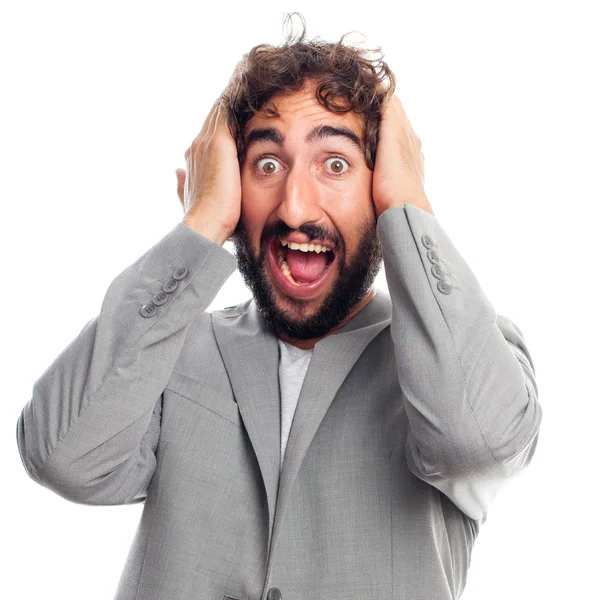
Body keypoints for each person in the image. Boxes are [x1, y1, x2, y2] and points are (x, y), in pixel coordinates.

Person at [16, 15, 542, 600]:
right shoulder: (168, 347)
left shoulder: (467, 356)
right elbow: (61, 455)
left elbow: (475, 445)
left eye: (335, 164)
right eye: (266, 165)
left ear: (381, 185)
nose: (294, 206)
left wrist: (409, 205)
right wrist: (203, 222)